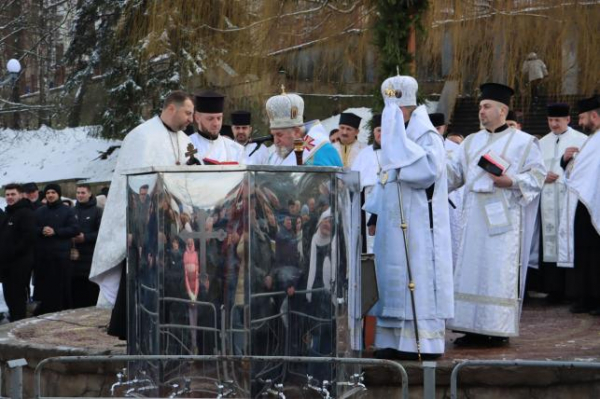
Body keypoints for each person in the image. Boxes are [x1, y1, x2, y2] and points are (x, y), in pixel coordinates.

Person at [446, 83, 546, 346]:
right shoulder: (470, 142)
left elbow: (537, 176)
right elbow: (453, 175)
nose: (481, 111)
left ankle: (496, 329)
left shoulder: (524, 142)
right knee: (469, 269)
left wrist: (511, 181)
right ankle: (469, 326)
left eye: (486, 106)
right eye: (480, 106)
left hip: (503, 220)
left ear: (502, 110)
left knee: (496, 272)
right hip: (472, 218)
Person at [90, 90, 194, 338]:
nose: (191, 119)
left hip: (173, 228)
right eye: (188, 112)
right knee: (141, 280)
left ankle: (169, 330)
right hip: (145, 226)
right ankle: (135, 330)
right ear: (171, 108)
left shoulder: (184, 141)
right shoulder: (142, 137)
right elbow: (138, 184)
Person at [364, 75, 453, 359]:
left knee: (415, 278)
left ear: (403, 109)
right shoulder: (397, 138)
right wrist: (375, 214)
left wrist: (402, 156)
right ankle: (392, 341)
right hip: (392, 222)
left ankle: (422, 343)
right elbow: (385, 176)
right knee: (390, 278)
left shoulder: (427, 136)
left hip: (416, 225)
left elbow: (429, 172)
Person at [536, 103, 587, 303]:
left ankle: (571, 290)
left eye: (557, 120)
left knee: (569, 241)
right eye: (550, 120)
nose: (553, 124)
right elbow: (533, 168)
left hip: (568, 199)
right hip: (546, 198)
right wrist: (541, 176)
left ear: (568, 119)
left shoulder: (581, 140)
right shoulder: (541, 142)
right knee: (548, 243)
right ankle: (552, 289)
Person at [557, 95, 600, 314]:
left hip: (593, 202)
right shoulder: (592, 140)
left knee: (595, 253)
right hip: (584, 202)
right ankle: (589, 297)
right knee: (586, 253)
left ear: (595, 116)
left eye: (583, 118)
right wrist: (564, 162)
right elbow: (579, 172)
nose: (581, 123)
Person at [264, 88, 342, 166]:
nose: (276, 141)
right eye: (273, 135)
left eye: (279, 135)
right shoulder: (275, 156)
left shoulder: (322, 151)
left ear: (297, 132)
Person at [34, 184, 80, 315]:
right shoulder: (39, 211)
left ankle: (63, 311)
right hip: (43, 256)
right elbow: (32, 229)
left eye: (53, 192)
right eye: (48, 192)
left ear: (58, 194)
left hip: (61, 257)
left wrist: (56, 232)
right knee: (45, 287)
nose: (50, 195)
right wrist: (41, 230)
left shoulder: (68, 211)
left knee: (61, 288)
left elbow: (75, 229)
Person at [0, 184, 36, 321]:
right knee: (9, 296)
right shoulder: (8, 213)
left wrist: (11, 252)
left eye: (13, 194)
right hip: (6, 264)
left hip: (19, 264)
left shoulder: (26, 213)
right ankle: (14, 320)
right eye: (7, 194)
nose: (9, 197)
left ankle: (19, 322)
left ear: (21, 195)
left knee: (17, 297)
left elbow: (28, 238)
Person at [352, 114, 382, 253]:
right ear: (374, 132)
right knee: (370, 244)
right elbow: (354, 182)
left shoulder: (398, 151)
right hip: (368, 202)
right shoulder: (364, 153)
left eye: (385, 130)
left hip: (391, 203)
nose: (381, 134)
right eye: (378, 130)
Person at [188, 90, 244, 164]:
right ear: (197, 118)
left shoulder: (235, 149)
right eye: (210, 119)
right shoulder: (186, 143)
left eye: (219, 118)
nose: (216, 123)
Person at [71, 183, 103, 308]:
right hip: (74, 257)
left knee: (90, 288)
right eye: (78, 192)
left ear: (89, 194)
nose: (80, 195)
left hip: (90, 256)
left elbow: (101, 232)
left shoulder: (97, 211)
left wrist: (86, 237)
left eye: (83, 192)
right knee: (75, 287)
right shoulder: (71, 211)